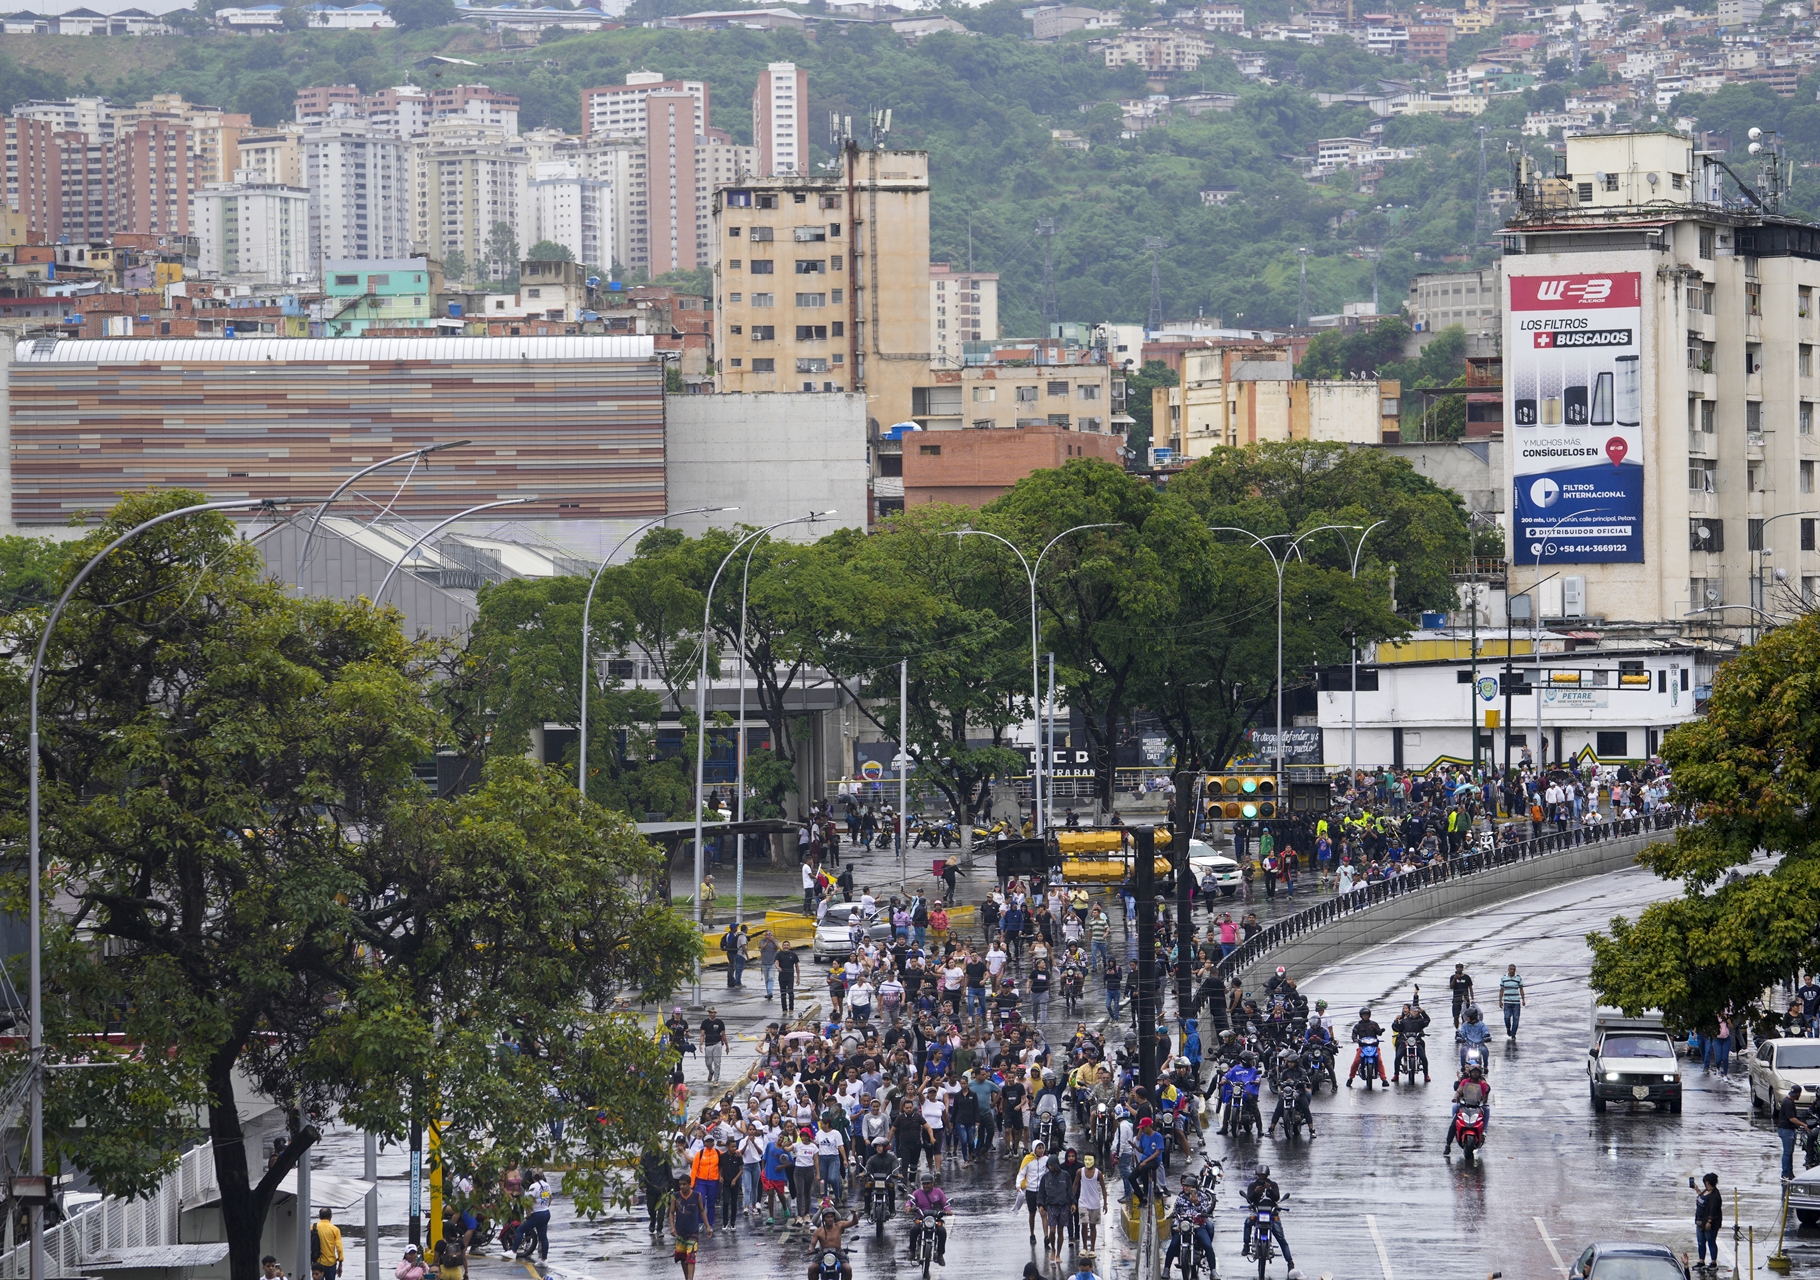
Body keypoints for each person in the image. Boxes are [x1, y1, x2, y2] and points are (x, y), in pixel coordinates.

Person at [1240, 1165, 1293, 1270]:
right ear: (1257, 1174)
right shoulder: (1252, 1185)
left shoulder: (1273, 1184)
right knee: (1247, 1222)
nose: (1262, 1176)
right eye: (1260, 1174)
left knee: (1281, 1238)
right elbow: (1249, 1199)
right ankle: (1246, 1245)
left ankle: (1290, 1262)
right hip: (1257, 1212)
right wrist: (1256, 1192)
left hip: (1271, 1213)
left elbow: (1276, 1197)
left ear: (1267, 1175)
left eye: (1264, 1174)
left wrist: (1269, 1190)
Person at [1163, 1173, 1214, 1280]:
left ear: (1194, 1187)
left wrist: (1197, 1204)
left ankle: (1213, 1271)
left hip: (1197, 1225)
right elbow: (1176, 1211)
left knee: (1207, 1245)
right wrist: (1175, 1218)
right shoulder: (1181, 1197)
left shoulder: (1202, 1196)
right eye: (1184, 1186)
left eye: (1188, 1186)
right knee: (1173, 1245)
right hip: (1183, 1226)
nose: (1185, 1187)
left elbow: (1205, 1210)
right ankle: (1166, 1269)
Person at [671, 1174, 712, 1280]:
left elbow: (702, 1211)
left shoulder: (697, 1196)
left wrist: (708, 1226)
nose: (682, 1186)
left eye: (684, 1184)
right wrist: (672, 1227)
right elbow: (671, 1212)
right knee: (682, 1257)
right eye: (680, 1184)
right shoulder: (675, 1196)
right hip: (680, 1231)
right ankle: (687, 1278)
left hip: (693, 1232)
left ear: (690, 1184)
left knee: (691, 1257)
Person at [1444, 1066, 1489, 1155]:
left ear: (1480, 1074)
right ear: (1470, 1073)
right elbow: (1459, 1091)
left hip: (1477, 1106)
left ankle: (1484, 1129)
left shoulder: (1483, 1084)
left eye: (1477, 1072)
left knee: (1487, 1109)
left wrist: (1486, 1093)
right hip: (1464, 1104)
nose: (1475, 1073)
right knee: (1454, 1122)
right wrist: (1455, 1098)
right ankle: (1448, 1145)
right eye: (1473, 1072)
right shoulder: (1465, 1082)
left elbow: (1485, 1099)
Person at [908, 1173, 949, 1266]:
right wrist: (908, 1207)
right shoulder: (917, 1192)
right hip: (921, 1219)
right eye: (924, 1184)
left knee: (942, 1231)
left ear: (932, 1183)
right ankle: (912, 1251)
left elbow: (945, 1204)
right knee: (913, 1230)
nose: (925, 1186)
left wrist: (948, 1211)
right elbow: (910, 1201)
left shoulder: (938, 1192)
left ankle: (940, 1255)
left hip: (935, 1219)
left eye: (928, 1183)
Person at [808, 1208, 860, 1280]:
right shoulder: (818, 1231)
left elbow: (854, 1222)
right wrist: (811, 1249)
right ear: (824, 1219)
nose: (830, 1219)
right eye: (828, 1217)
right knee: (811, 1269)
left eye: (831, 1217)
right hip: (822, 1255)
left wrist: (854, 1214)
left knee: (848, 1269)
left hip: (839, 1254)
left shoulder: (839, 1226)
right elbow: (812, 1244)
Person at [517, 1170, 553, 1261]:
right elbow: (550, 1197)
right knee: (543, 1236)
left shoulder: (533, 1186)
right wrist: (546, 1204)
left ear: (532, 1178)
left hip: (536, 1213)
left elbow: (530, 1201)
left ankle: (513, 1251)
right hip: (545, 1212)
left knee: (520, 1230)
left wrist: (528, 1213)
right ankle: (544, 1259)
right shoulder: (546, 1185)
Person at [1346, 1008, 1387, 1087]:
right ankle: (1350, 1078)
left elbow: (1379, 1033)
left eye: (1367, 1015)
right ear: (1361, 1016)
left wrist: (1375, 1029)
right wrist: (1355, 1039)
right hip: (1362, 1047)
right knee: (1356, 1062)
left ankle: (1384, 1079)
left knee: (1379, 1061)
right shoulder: (1357, 1026)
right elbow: (1354, 1034)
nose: (1365, 1016)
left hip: (1374, 1047)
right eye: (1364, 1015)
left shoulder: (1374, 1024)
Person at [1780, 1084, 1811, 1181]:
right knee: (1787, 1152)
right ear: (1798, 1094)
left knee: (1789, 1152)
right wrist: (1804, 1125)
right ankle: (1785, 1173)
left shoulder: (1788, 1101)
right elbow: (1791, 1118)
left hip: (1788, 1130)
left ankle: (1789, 1173)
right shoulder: (1788, 1103)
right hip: (1786, 1130)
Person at [1077, 1155, 1107, 1254]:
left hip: (1095, 1203)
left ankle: (1092, 1249)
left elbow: (1103, 1188)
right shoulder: (1080, 1172)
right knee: (1084, 1224)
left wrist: (1105, 1203)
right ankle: (1085, 1247)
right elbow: (1075, 1184)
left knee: (1093, 1226)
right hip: (1083, 1202)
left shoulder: (1098, 1173)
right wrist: (1072, 1201)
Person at [1694, 1173, 1723, 1271]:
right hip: (1700, 1222)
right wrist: (1697, 1190)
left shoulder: (1715, 1196)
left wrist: (1709, 1221)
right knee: (1701, 1242)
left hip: (1709, 1224)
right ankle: (1701, 1261)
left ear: (1708, 1182)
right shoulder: (1706, 1191)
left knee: (1711, 1242)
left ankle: (1713, 1262)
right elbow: (1702, 1199)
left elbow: (1713, 1210)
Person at [1456, 1005, 1492, 1072]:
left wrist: (1487, 1036)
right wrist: (1460, 1037)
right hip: (1468, 1045)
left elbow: (1485, 1031)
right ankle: (1463, 1066)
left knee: (1484, 1051)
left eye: (1468, 1017)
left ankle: (1485, 1066)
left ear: (1472, 1017)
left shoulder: (1481, 1025)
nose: (1466, 1018)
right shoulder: (1465, 1025)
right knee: (1462, 1051)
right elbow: (1462, 1033)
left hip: (1479, 1045)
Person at [310, 1209, 343, 1280]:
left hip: (317, 1261)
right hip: (330, 1263)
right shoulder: (335, 1229)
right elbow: (339, 1248)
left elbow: (308, 1244)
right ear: (330, 1217)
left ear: (319, 1216)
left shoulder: (313, 1227)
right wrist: (340, 1264)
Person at [1499, 963, 1527, 1039]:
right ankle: (1508, 1029)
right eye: (1511, 969)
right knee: (1507, 1017)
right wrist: (1500, 1000)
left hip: (1516, 1002)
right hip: (1507, 1002)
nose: (1512, 971)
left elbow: (1521, 989)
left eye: (1514, 969)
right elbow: (1501, 990)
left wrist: (1523, 999)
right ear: (1508, 969)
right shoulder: (1504, 978)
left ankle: (1513, 1033)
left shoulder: (1518, 978)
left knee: (1516, 1018)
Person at [701, 1008, 727, 1083]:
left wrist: (727, 1046)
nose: (712, 1014)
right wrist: (700, 1044)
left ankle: (716, 1079)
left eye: (713, 1012)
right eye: (710, 1012)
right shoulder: (705, 1022)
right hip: (708, 1044)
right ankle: (711, 1071)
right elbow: (702, 1034)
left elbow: (724, 1034)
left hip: (717, 1043)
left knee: (717, 1062)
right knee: (708, 1062)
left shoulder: (720, 1022)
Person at [778, 941, 801, 1015]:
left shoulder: (793, 955)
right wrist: (778, 967)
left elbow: (797, 967)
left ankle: (791, 1009)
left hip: (790, 977)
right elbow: (776, 962)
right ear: (782, 947)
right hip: (781, 977)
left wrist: (798, 978)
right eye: (784, 945)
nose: (786, 947)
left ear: (790, 947)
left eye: (787, 945)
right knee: (783, 994)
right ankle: (784, 1009)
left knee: (790, 993)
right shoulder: (779, 954)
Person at [1448, 963, 1474, 1029]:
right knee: (1456, 1016)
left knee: (1465, 1016)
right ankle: (1457, 1030)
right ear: (1456, 968)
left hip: (1465, 999)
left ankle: (1464, 1029)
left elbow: (1470, 988)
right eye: (1457, 967)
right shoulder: (1453, 977)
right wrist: (1454, 979)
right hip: (1456, 999)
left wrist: (1472, 998)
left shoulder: (1466, 977)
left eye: (1460, 967)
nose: (1459, 969)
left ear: (1462, 968)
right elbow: (1451, 987)